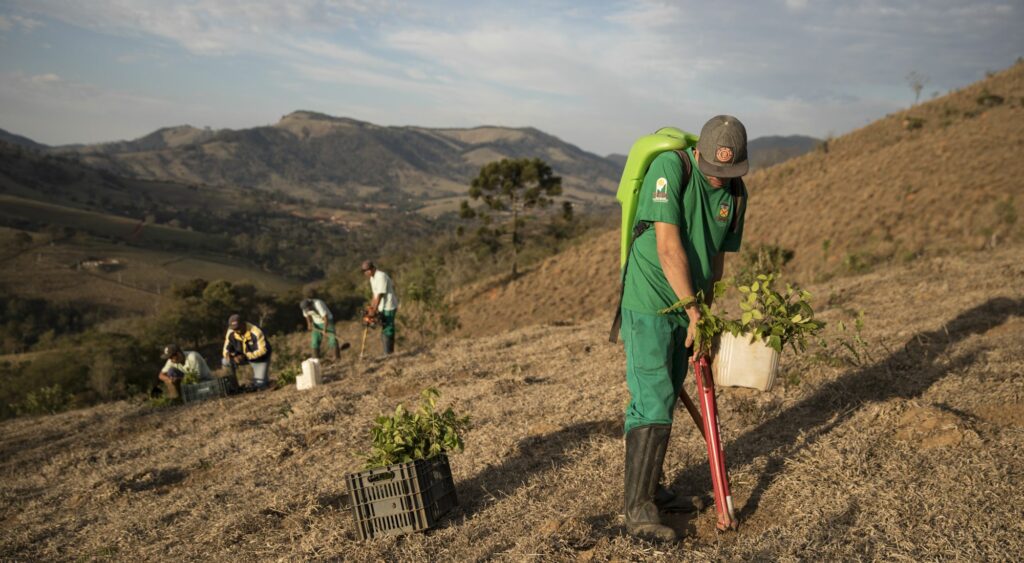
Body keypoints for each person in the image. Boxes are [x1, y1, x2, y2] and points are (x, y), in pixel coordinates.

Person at [619, 115, 749, 542]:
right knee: (653, 396)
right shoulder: (671, 169)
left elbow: (715, 259)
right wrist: (693, 310)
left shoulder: (735, 193)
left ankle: (653, 490)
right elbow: (667, 244)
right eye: (713, 170)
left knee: (669, 391)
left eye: (727, 173)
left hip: (689, 304)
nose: (718, 179)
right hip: (650, 299)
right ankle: (637, 511)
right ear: (699, 155)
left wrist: (704, 318)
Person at [221, 313, 273, 390]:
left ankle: (266, 382)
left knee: (260, 385)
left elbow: (263, 350)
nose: (237, 331)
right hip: (241, 357)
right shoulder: (230, 332)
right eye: (234, 329)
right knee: (225, 361)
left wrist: (246, 356)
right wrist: (231, 356)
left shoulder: (256, 332)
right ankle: (232, 386)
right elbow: (225, 350)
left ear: (243, 324)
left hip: (260, 359)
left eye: (238, 328)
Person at [361, 260, 399, 355]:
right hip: (382, 306)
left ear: (373, 268)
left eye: (367, 270)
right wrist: (371, 308)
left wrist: (374, 310)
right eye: (364, 271)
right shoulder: (372, 278)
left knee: (388, 328)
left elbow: (380, 295)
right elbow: (374, 295)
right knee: (384, 328)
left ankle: (389, 353)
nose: (366, 273)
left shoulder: (380, 276)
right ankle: (387, 352)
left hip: (388, 305)